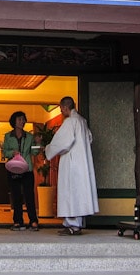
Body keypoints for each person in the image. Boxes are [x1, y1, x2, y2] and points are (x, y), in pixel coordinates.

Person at [43, 96, 99, 236]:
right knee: (78, 192)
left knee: (71, 192)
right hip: (82, 163)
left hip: (72, 163)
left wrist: (48, 149)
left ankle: (72, 225)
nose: (61, 111)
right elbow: (90, 139)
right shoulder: (82, 121)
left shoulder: (70, 122)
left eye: (61, 108)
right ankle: (74, 224)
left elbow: (63, 142)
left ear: (65, 107)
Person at [2, 111, 41, 231]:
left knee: (29, 195)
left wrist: (38, 144)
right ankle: (18, 222)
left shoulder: (29, 137)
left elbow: (34, 152)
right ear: (14, 122)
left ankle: (33, 221)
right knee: (16, 196)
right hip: (13, 168)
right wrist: (12, 153)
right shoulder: (8, 136)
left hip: (27, 169)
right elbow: (4, 152)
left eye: (24, 119)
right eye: (20, 119)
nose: (22, 122)